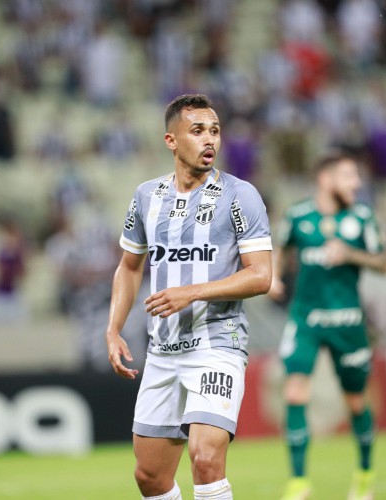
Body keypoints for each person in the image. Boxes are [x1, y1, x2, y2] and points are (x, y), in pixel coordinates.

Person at [105, 94, 273, 500]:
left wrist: (192, 293)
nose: (209, 139)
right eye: (197, 131)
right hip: (162, 352)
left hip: (217, 344)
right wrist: (112, 329)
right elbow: (129, 267)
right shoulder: (147, 196)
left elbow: (262, 276)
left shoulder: (240, 195)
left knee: (205, 458)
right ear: (172, 140)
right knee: (149, 477)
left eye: (214, 130)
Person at [271, 152, 386, 500]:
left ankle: (365, 474)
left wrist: (350, 255)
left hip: (348, 321)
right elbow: (281, 250)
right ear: (325, 179)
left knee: (355, 401)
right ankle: (298, 483)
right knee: (294, 391)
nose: (356, 183)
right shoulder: (297, 216)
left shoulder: (362, 217)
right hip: (305, 318)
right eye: (349, 176)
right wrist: (275, 277)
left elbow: (384, 263)